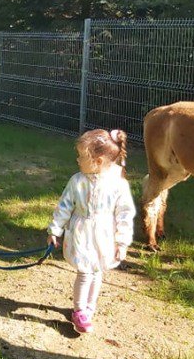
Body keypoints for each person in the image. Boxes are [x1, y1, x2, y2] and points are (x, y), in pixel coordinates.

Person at [46, 128, 135, 334]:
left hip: (104, 235)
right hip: (82, 234)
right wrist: (55, 230)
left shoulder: (118, 185)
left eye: (82, 156)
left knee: (97, 272)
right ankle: (80, 311)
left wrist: (122, 242)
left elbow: (124, 214)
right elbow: (64, 206)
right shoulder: (77, 181)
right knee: (85, 272)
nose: (78, 160)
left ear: (99, 161)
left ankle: (89, 308)